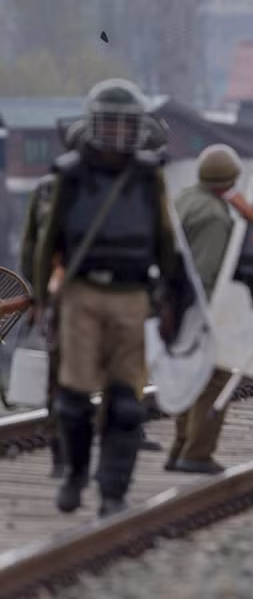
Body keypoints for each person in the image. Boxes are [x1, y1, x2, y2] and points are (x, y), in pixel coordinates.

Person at [33, 79, 179, 517]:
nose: (116, 135)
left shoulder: (148, 176)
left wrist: (172, 295)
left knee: (128, 403)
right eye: (109, 124)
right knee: (74, 400)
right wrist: (43, 298)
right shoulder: (70, 174)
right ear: (94, 124)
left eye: (124, 125)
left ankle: (113, 489)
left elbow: (164, 239)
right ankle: (76, 472)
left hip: (132, 293)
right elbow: (48, 240)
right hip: (81, 292)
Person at [165, 145, 243, 476]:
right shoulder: (213, 214)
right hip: (198, 309)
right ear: (228, 181)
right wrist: (217, 321)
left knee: (188, 377)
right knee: (216, 377)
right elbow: (208, 273)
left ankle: (180, 448)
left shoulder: (184, 199)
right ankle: (197, 452)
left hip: (173, 305)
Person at [19, 122, 85, 479]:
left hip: (59, 294)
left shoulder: (45, 188)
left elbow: (32, 247)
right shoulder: (109, 186)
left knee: (59, 375)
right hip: (108, 294)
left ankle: (60, 451)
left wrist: (38, 293)